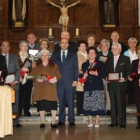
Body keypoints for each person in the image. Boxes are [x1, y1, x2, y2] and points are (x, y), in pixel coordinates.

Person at [30, 50, 61, 129]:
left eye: (46, 55)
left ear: (49, 56)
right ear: (40, 57)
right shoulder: (36, 65)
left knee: (53, 106)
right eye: (43, 55)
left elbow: (58, 75)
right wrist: (37, 79)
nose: (45, 57)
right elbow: (31, 76)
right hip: (40, 88)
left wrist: (54, 79)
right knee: (41, 105)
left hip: (50, 88)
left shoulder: (54, 65)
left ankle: (53, 122)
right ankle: (42, 122)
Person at [52, 38, 78, 127]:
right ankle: (61, 120)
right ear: (60, 45)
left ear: (68, 45)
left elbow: (76, 68)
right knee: (61, 101)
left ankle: (71, 120)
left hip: (70, 81)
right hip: (59, 82)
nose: (64, 44)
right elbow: (52, 69)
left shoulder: (73, 55)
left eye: (65, 43)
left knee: (70, 102)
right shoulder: (55, 55)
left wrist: (75, 80)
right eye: (62, 43)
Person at [80, 47, 106, 128]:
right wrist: (83, 75)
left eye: (93, 53)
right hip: (88, 86)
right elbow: (81, 76)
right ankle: (90, 120)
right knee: (88, 104)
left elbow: (104, 74)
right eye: (90, 53)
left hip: (98, 85)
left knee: (98, 104)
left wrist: (96, 74)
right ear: (88, 54)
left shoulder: (100, 63)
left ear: (95, 54)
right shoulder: (84, 64)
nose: (91, 54)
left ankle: (97, 120)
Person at [107, 43, 131, 129]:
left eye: (116, 49)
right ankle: (114, 121)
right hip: (111, 85)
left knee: (121, 104)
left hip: (121, 85)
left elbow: (129, 72)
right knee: (112, 104)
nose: (114, 50)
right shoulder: (109, 59)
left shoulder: (126, 59)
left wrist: (125, 78)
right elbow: (107, 72)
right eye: (112, 49)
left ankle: (122, 123)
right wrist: (106, 78)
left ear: (120, 50)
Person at [1, 41, 22, 128]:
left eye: (7, 46)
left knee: (15, 103)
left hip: (13, 84)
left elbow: (18, 70)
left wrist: (16, 81)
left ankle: (15, 122)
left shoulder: (14, 57)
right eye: (3, 46)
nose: (5, 48)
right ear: (1, 47)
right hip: (2, 85)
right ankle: (3, 122)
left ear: (10, 47)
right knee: (3, 104)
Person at [96, 39, 113, 115]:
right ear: (100, 47)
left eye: (105, 46)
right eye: (102, 46)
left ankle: (108, 108)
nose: (104, 47)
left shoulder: (112, 54)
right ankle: (101, 108)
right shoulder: (97, 54)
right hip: (99, 77)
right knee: (100, 93)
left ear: (108, 47)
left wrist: (108, 76)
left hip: (109, 77)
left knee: (108, 93)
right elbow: (95, 65)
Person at [18, 40, 33, 116]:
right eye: (23, 46)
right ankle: (19, 111)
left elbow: (33, 67)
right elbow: (15, 68)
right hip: (19, 78)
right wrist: (20, 72)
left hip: (28, 78)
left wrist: (28, 69)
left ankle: (26, 110)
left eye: (26, 46)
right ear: (20, 47)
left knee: (27, 95)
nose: (24, 47)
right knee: (19, 95)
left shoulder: (31, 56)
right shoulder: (16, 56)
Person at [124, 37, 138, 105]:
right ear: (128, 44)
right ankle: (131, 102)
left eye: (134, 43)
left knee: (137, 87)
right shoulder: (125, 53)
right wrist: (127, 74)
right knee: (130, 87)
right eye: (131, 43)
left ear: (136, 43)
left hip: (138, 72)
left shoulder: (138, 52)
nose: (132, 44)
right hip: (129, 71)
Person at [130, 45, 140, 129]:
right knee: (138, 104)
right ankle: (139, 123)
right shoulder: (134, 62)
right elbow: (132, 72)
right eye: (139, 53)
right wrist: (132, 76)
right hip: (137, 86)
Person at [76, 40, 88, 115]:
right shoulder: (76, 55)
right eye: (81, 46)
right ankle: (79, 111)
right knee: (80, 95)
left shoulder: (89, 54)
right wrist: (78, 71)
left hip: (88, 77)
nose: (83, 48)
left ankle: (86, 110)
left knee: (86, 94)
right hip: (80, 77)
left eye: (84, 46)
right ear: (78, 47)